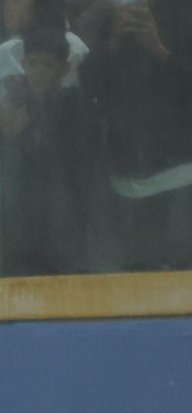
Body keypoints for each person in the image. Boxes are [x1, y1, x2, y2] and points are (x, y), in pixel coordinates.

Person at [79, 0, 192, 272]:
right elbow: (90, 86)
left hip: (179, 171)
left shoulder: (184, 15)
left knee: (177, 271)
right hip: (121, 172)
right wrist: (112, 43)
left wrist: (158, 48)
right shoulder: (107, 18)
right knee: (131, 271)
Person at [0, 26, 92, 274]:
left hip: (66, 236)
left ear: (63, 69)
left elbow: (80, 178)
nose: (38, 73)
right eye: (32, 63)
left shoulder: (76, 108)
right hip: (21, 236)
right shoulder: (14, 105)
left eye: (47, 65)